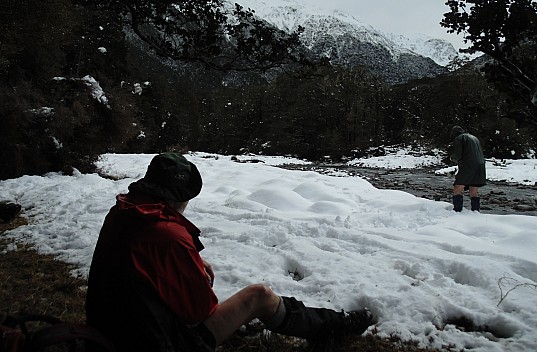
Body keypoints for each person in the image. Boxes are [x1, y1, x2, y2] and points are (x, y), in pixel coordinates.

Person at [85, 152, 374, 352]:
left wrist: (191, 260)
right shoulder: (168, 235)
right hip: (155, 343)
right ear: (180, 196)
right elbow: (199, 311)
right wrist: (192, 269)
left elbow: (144, 263)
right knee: (258, 295)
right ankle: (336, 326)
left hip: (111, 329)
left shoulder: (125, 213)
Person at [450, 126, 486, 212]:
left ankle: (457, 210)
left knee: (458, 186)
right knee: (474, 187)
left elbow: (458, 155)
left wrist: (452, 158)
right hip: (480, 164)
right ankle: (475, 211)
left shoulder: (459, 138)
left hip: (468, 164)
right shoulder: (474, 138)